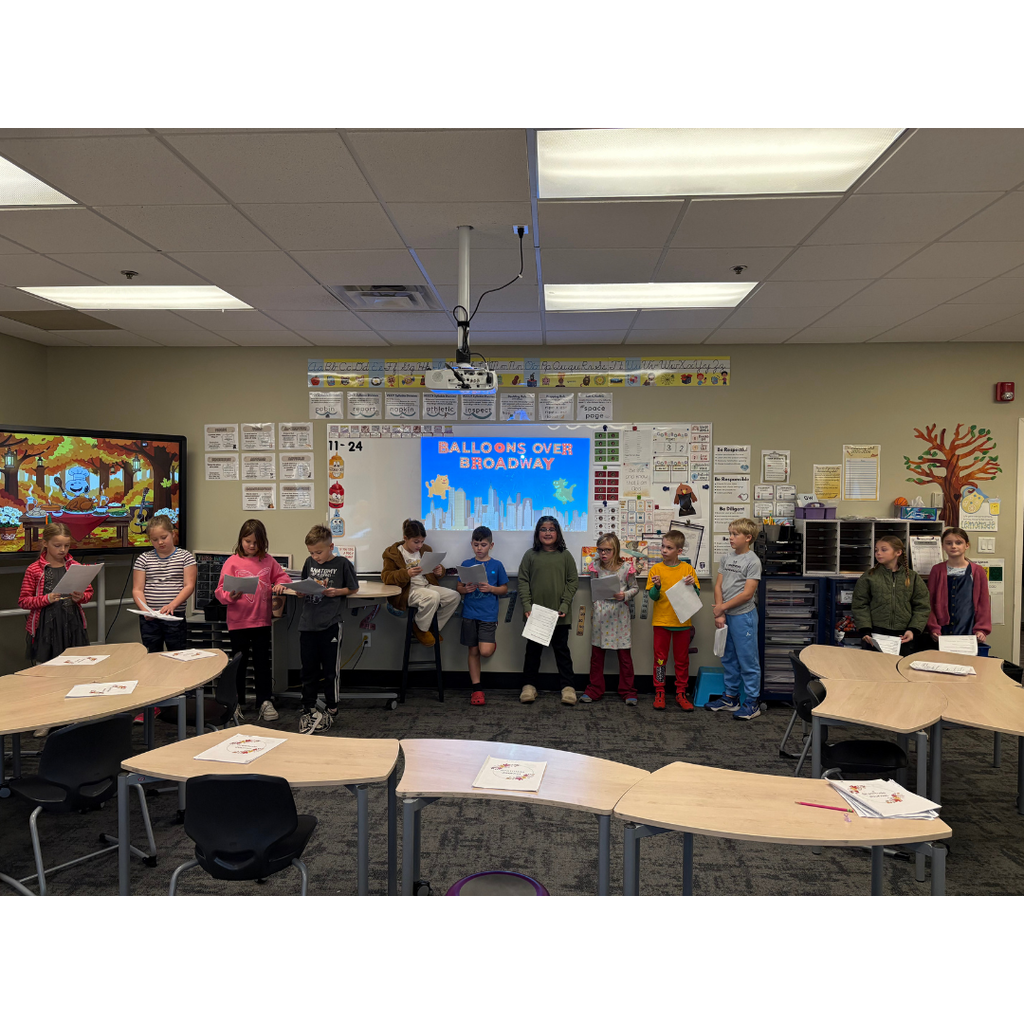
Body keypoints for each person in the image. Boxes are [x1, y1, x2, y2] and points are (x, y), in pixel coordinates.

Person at [215, 519, 291, 720]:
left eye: (256, 542)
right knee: (239, 664)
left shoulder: (268, 560)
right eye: (247, 541)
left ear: (263, 542)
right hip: (238, 623)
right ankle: (236, 703)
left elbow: (283, 577)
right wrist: (229, 596)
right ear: (241, 540)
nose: (251, 545)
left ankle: (264, 701)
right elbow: (220, 591)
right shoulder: (232, 562)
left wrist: (281, 585)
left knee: (262, 663)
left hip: (261, 622)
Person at [295, 524, 358, 735]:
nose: (316, 556)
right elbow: (304, 583)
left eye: (319, 552)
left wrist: (337, 592)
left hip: (330, 623)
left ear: (331, 546)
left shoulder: (342, 563)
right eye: (312, 552)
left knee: (330, 670)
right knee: (308, 669)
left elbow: (353, 588)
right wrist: (301, 592)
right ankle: (309, 706)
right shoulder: (309, 562)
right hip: (308, 623)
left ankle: (332, 706)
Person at [518, 516, 579, 705]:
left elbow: (573, 581)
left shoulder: (565, 556)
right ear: (537, 533)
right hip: (536, 615)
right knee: (532, 653)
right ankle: (529, 686)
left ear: (558, 533)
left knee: (562, 652)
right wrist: (527, 606)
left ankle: (568, 688)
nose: (547, 533)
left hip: (559, 615)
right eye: (543, 529)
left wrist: (564, 605)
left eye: (551, 529)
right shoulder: (530, 555)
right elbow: (522, 581)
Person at [706, 518, 763, 720]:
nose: (730, 537)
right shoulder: (727, 558)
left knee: (748, 660)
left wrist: (722, 607)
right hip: (726, 616)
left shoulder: (753, 561)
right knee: (728, 657)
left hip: (743, 617)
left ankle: (752, 702)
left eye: (735, 534)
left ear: (748, 538)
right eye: (729, 533)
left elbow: (747, 594)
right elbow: (718, 586)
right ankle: (731, 697)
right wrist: (720, 613)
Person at [18, 523, 93, 664]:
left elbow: (88, 593)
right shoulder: (34, 570)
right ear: (45, 543)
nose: (62, 550)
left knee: (75, 663)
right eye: (57, 546)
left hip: (72, 624)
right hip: (46, 627)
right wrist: (46, 599)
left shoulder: (75, 566)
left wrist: (81, 597)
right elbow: (23, 601)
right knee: (46, 666)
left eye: (67, 546)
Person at [581, 532, 639, 706]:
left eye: (607, 550)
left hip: (620, 612)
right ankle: (594, 689)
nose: (603, 554)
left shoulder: (626, 568)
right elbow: (594, 588)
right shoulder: (595, 567)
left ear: (616, 550)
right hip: (601, 612)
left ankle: (628, 691)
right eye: (600, 550)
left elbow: (635, 588)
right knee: (597, 655)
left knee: (624, 655)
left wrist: (625, 595)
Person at [645, 530, 700, 710]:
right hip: (661, 622)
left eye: (669, 547)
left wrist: (692, 585)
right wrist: (657, 586)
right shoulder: (656, 569)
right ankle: (659, 691)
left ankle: (681, 693)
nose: (664, 550)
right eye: (663, 546)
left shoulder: (687, 569)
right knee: (660, 660)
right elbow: (653, 596)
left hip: (682, 623)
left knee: (682, 661)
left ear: (679, 551)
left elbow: (697, 595)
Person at [381, 518, 459, 646]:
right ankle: (420, 629)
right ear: (405, 538)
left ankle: (432, 628)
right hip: (407, 591)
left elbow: (435, 567)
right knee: (433, 596)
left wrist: (440, 571)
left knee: (454, 597)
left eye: (422, 542)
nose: (419, 546)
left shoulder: (425, 550)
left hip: (426, 586)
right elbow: (386, 577)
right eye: (416, 542)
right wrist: (406, 574)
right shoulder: (393, 553)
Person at [851, 534, 930, 656]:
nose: (878, 553)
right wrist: (865, 630)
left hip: (903, 635)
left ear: (898, 552)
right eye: (876, 550)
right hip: (876, 634)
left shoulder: (913, 578)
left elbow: (922, 606)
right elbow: (860, 605)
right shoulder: (869, 576)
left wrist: (913, 629)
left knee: (898, 670)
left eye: (884, 550)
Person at [455, 526, 509, 706]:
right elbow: (459, 587)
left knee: (484, 651)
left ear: (491, 545)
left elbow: (504, 589)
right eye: (476, 544)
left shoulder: (497, 565)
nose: (479, 548)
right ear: (471, 544)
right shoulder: (467, 563)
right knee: (473, 650)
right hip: (469, 613)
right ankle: (476, 689)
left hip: (488, 615)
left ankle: (490, 643)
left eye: (483, 545)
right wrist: (465, 589)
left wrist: (491, 588)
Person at [131, 515, 196, 653]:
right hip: (150, 617)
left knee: (177, 651)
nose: (160, 542)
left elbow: (189, 586)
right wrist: (145, 609)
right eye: (155, 540)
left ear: (172, 534)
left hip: (174, 615)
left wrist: (172, 605)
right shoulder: (144, 559)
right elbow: (137, 589)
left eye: (164, 537)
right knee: (152, 653)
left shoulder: (185, 557)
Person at [926, 527, 991, 645]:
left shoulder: (977, 571)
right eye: (949, 543)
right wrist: (933, 627)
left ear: (966, 545)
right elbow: (930, 601)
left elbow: (983, 603)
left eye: (958, 542)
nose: (953, 546)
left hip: (968, 628)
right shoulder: (937, 570)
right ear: (943, 546)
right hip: (942, 631)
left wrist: (981, 629)